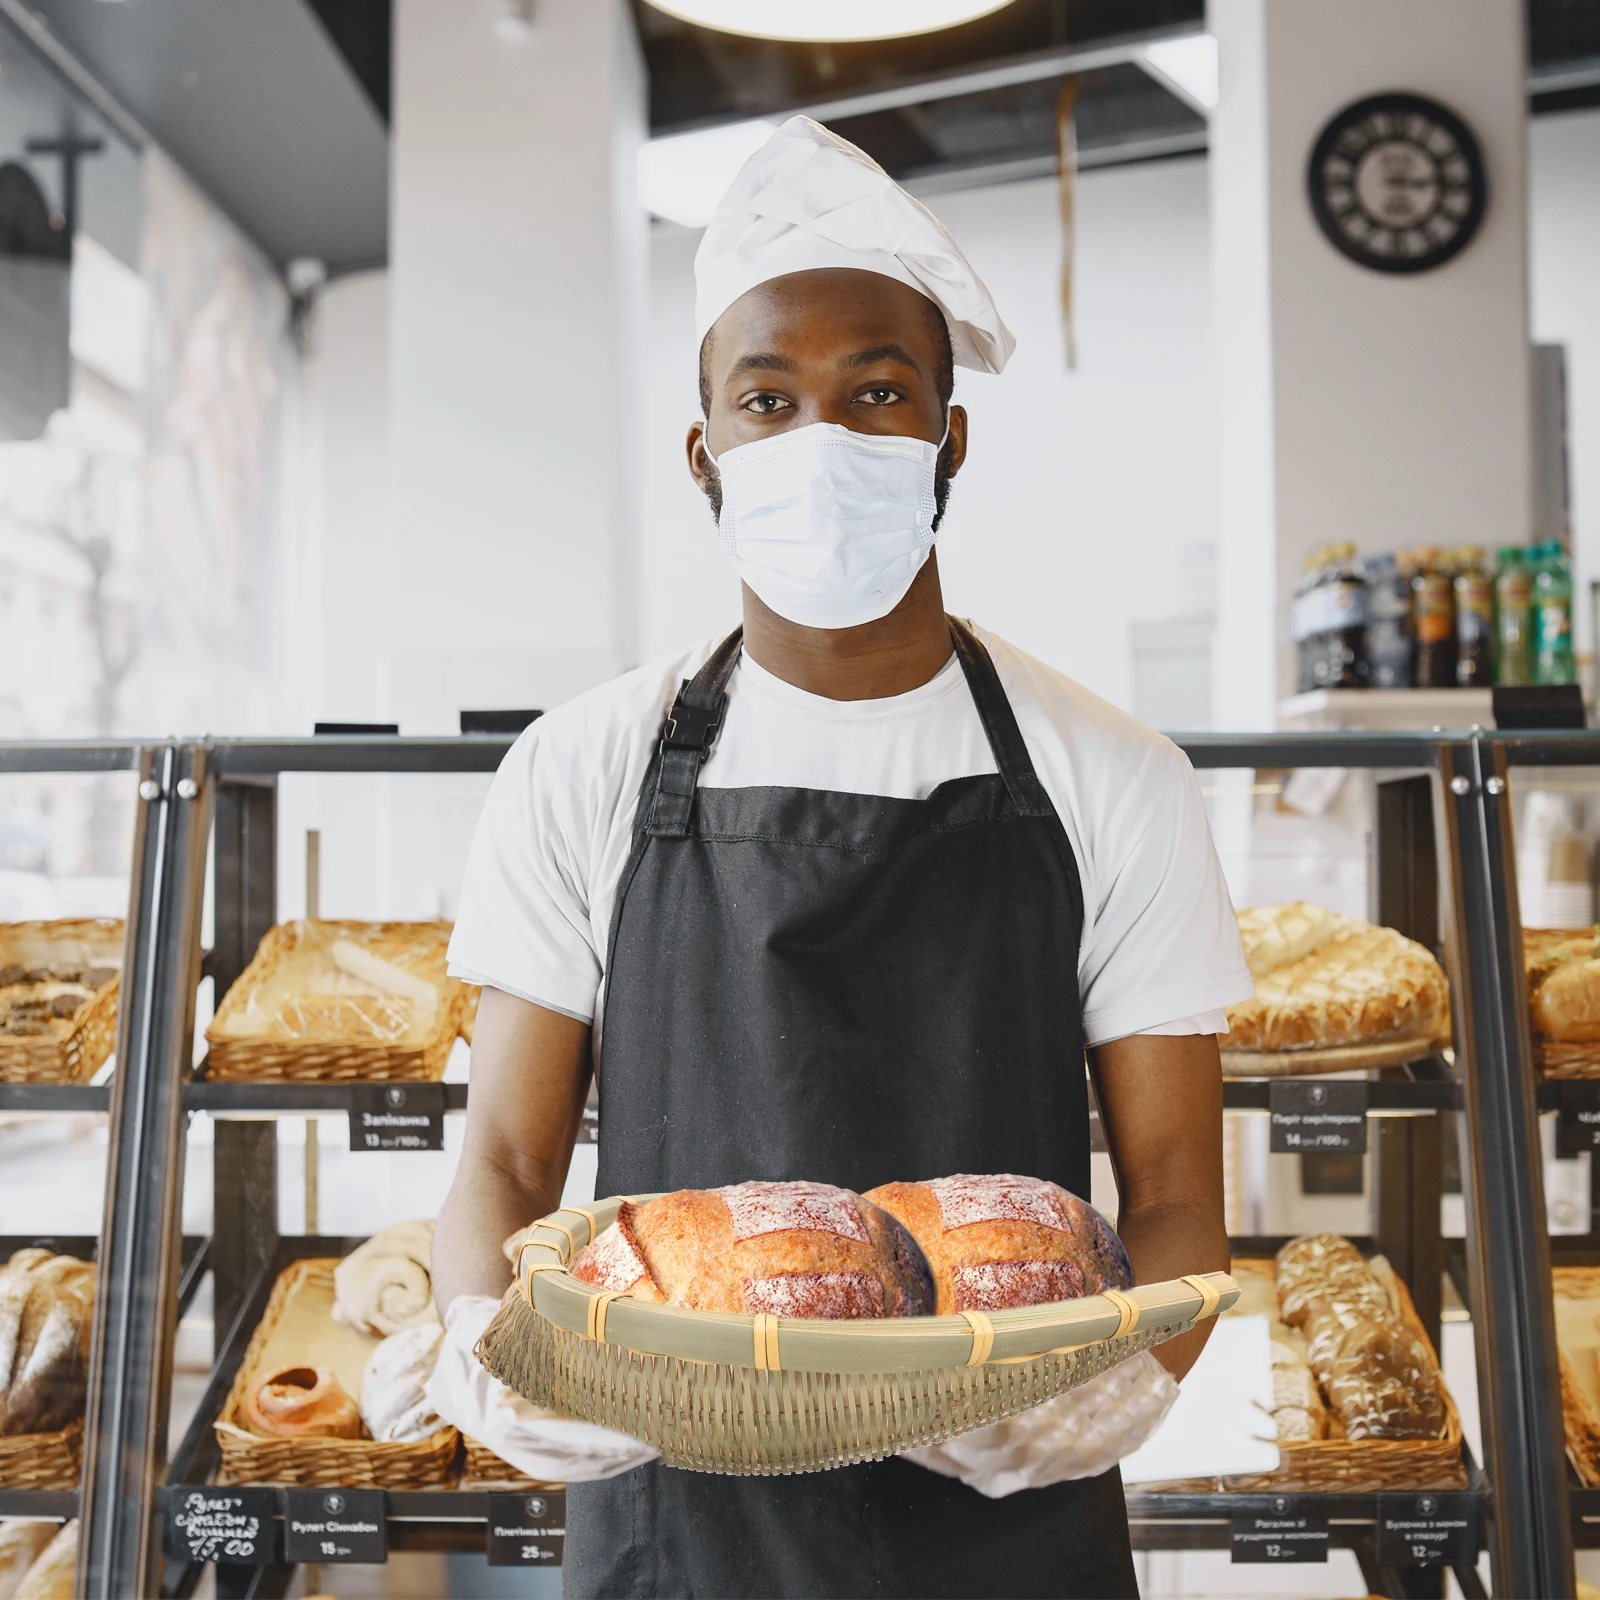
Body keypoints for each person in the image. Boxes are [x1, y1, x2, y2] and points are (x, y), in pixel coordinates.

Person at [432, 116, 1254, 1599]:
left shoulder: (1115, 776)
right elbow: (502, 1159)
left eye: (877, 392)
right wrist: (483, 1337)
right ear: (706, 455)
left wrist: (1131, 1375)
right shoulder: (581, 766)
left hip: (1011, 1504)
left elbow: (1181, 1184)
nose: (824, 442)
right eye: (770, 400)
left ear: (949, 437)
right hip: (679, 1505)